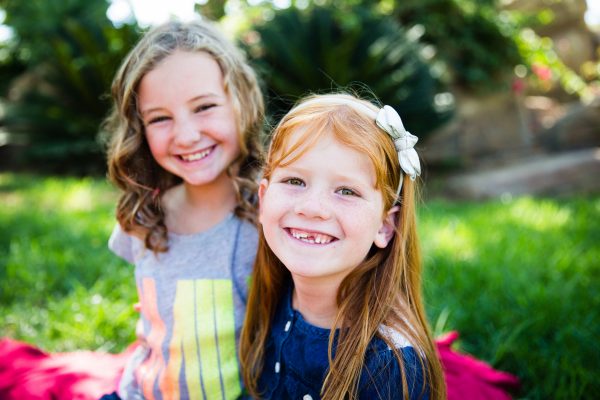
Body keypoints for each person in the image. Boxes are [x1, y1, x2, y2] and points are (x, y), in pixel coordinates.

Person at [239, 93, 447, 399]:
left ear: (385, 226)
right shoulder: (274, 295)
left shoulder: (390, 366)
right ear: (263, 199)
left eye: (346, 191)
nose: (312, 208)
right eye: (295, 181)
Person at [104, 18, 264, 399]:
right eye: (160, 118)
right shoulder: (142, 216)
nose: (187, 135)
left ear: (242, 102)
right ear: (139, 129)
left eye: (204, 107)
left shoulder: (272, 215)